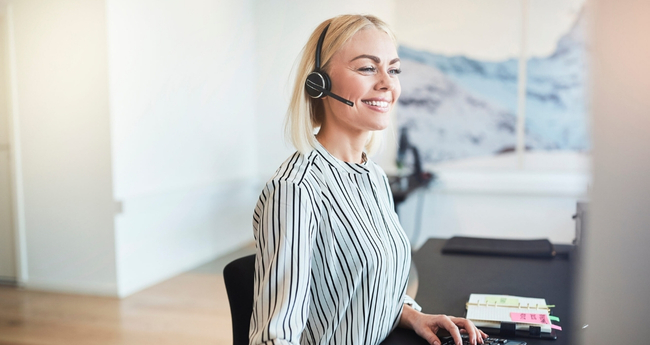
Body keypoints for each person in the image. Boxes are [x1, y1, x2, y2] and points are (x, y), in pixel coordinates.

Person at [249, 14, 488, 345]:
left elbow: (364, 288)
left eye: (393, 69)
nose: (388, 84)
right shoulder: (296, 189)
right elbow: (275, 337)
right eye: (366, 68)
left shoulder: (373, 176)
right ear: (319, 83)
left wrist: (411, 314)